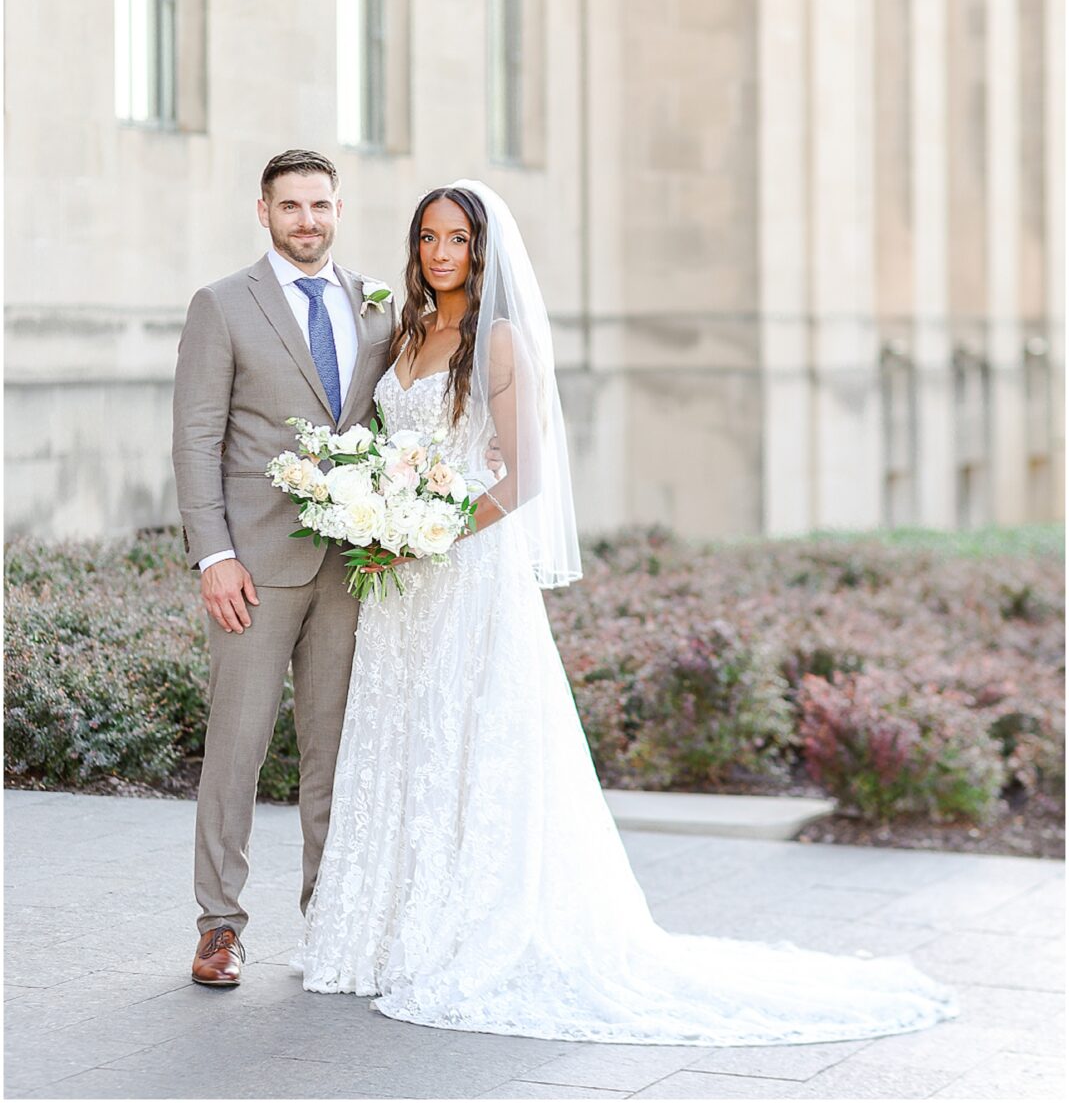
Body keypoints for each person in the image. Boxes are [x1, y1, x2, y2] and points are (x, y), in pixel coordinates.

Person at [296, 180, 959, 1045]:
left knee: (470, 740)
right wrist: (377, 514)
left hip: (460, 573)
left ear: (483, 249)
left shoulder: (495, 342)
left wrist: (432, 533)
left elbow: (522, 476)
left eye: (457, 238)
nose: (440, 252)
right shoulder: (406, 334)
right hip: (398, 582)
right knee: (405, 741)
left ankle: (460, 930)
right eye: (428, 237)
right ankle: (379, 934)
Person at [172, 148, 397, 988]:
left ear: (339, 210)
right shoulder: (222, 306)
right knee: (236, 747)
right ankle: (219, 926)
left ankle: (329, 918)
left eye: (322, 206)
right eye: (292, 206)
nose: (309, 221)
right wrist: (215, 554)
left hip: (353, 565)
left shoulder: (373, 306)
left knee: (334, 751)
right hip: (254, 569)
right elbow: (196, 437)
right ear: (262, 211)